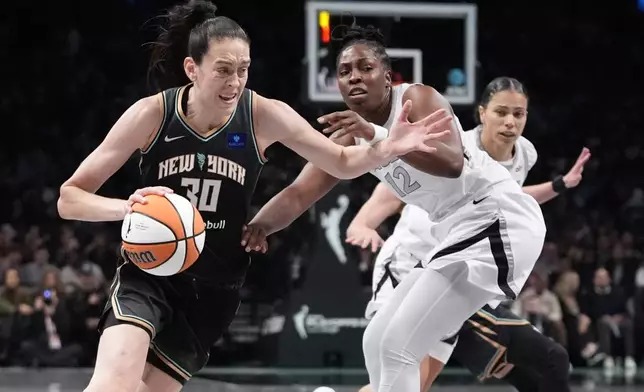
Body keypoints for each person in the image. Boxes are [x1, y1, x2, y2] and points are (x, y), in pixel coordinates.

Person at [56, 2, 451, 391]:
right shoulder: (152, 115)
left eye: (243, 70)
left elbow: (342, 162)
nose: (235, 82)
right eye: (223, 70)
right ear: (192, 69)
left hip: (213, 288)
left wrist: (387, 147)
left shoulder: (262, 113)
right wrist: (126, 207)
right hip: (150, 273)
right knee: (115, 382)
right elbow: (69, 197)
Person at [243, 24, 546, 392]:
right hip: (462, 229)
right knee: (377, 339)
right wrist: (258, 227)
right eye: (344, 71)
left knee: (397, 346)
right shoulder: (351, 135)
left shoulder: (416, 99)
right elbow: (299, 193)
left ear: (387, 77)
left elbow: (452, 164)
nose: (354, 77)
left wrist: (380, 136)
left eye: (365, 68)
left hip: (497, 216)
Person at [345, 77, 590, 391]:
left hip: (459, 262)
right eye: (502, 112)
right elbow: (395, 186)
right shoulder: (454, 141)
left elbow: (512, 196)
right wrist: (363, 222)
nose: (510, 121)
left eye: (519, 114)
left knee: (409, 375)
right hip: (411, 262)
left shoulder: (524, 154)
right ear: (482, 113)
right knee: (395, 355)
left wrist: (560, 185)